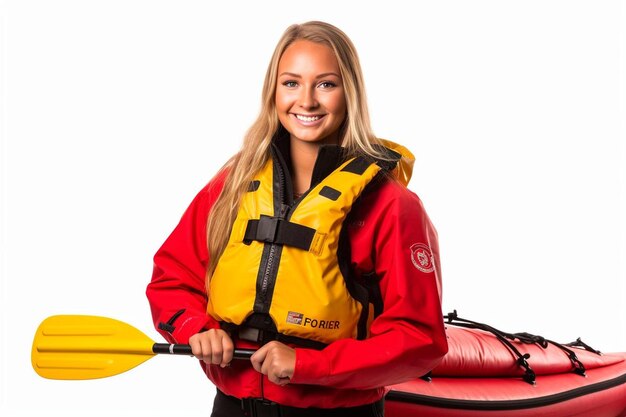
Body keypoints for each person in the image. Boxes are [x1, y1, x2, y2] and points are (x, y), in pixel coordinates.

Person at [146, 20, 448, 417]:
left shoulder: (393, 205)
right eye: (291, 83)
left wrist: (310, 365)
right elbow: (172, 279)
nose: (306, 101)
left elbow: (419, 340)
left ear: (350, 92)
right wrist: (196, 329)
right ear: (273, 91)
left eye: (325, 84)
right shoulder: (233, 185)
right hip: (232, 407)